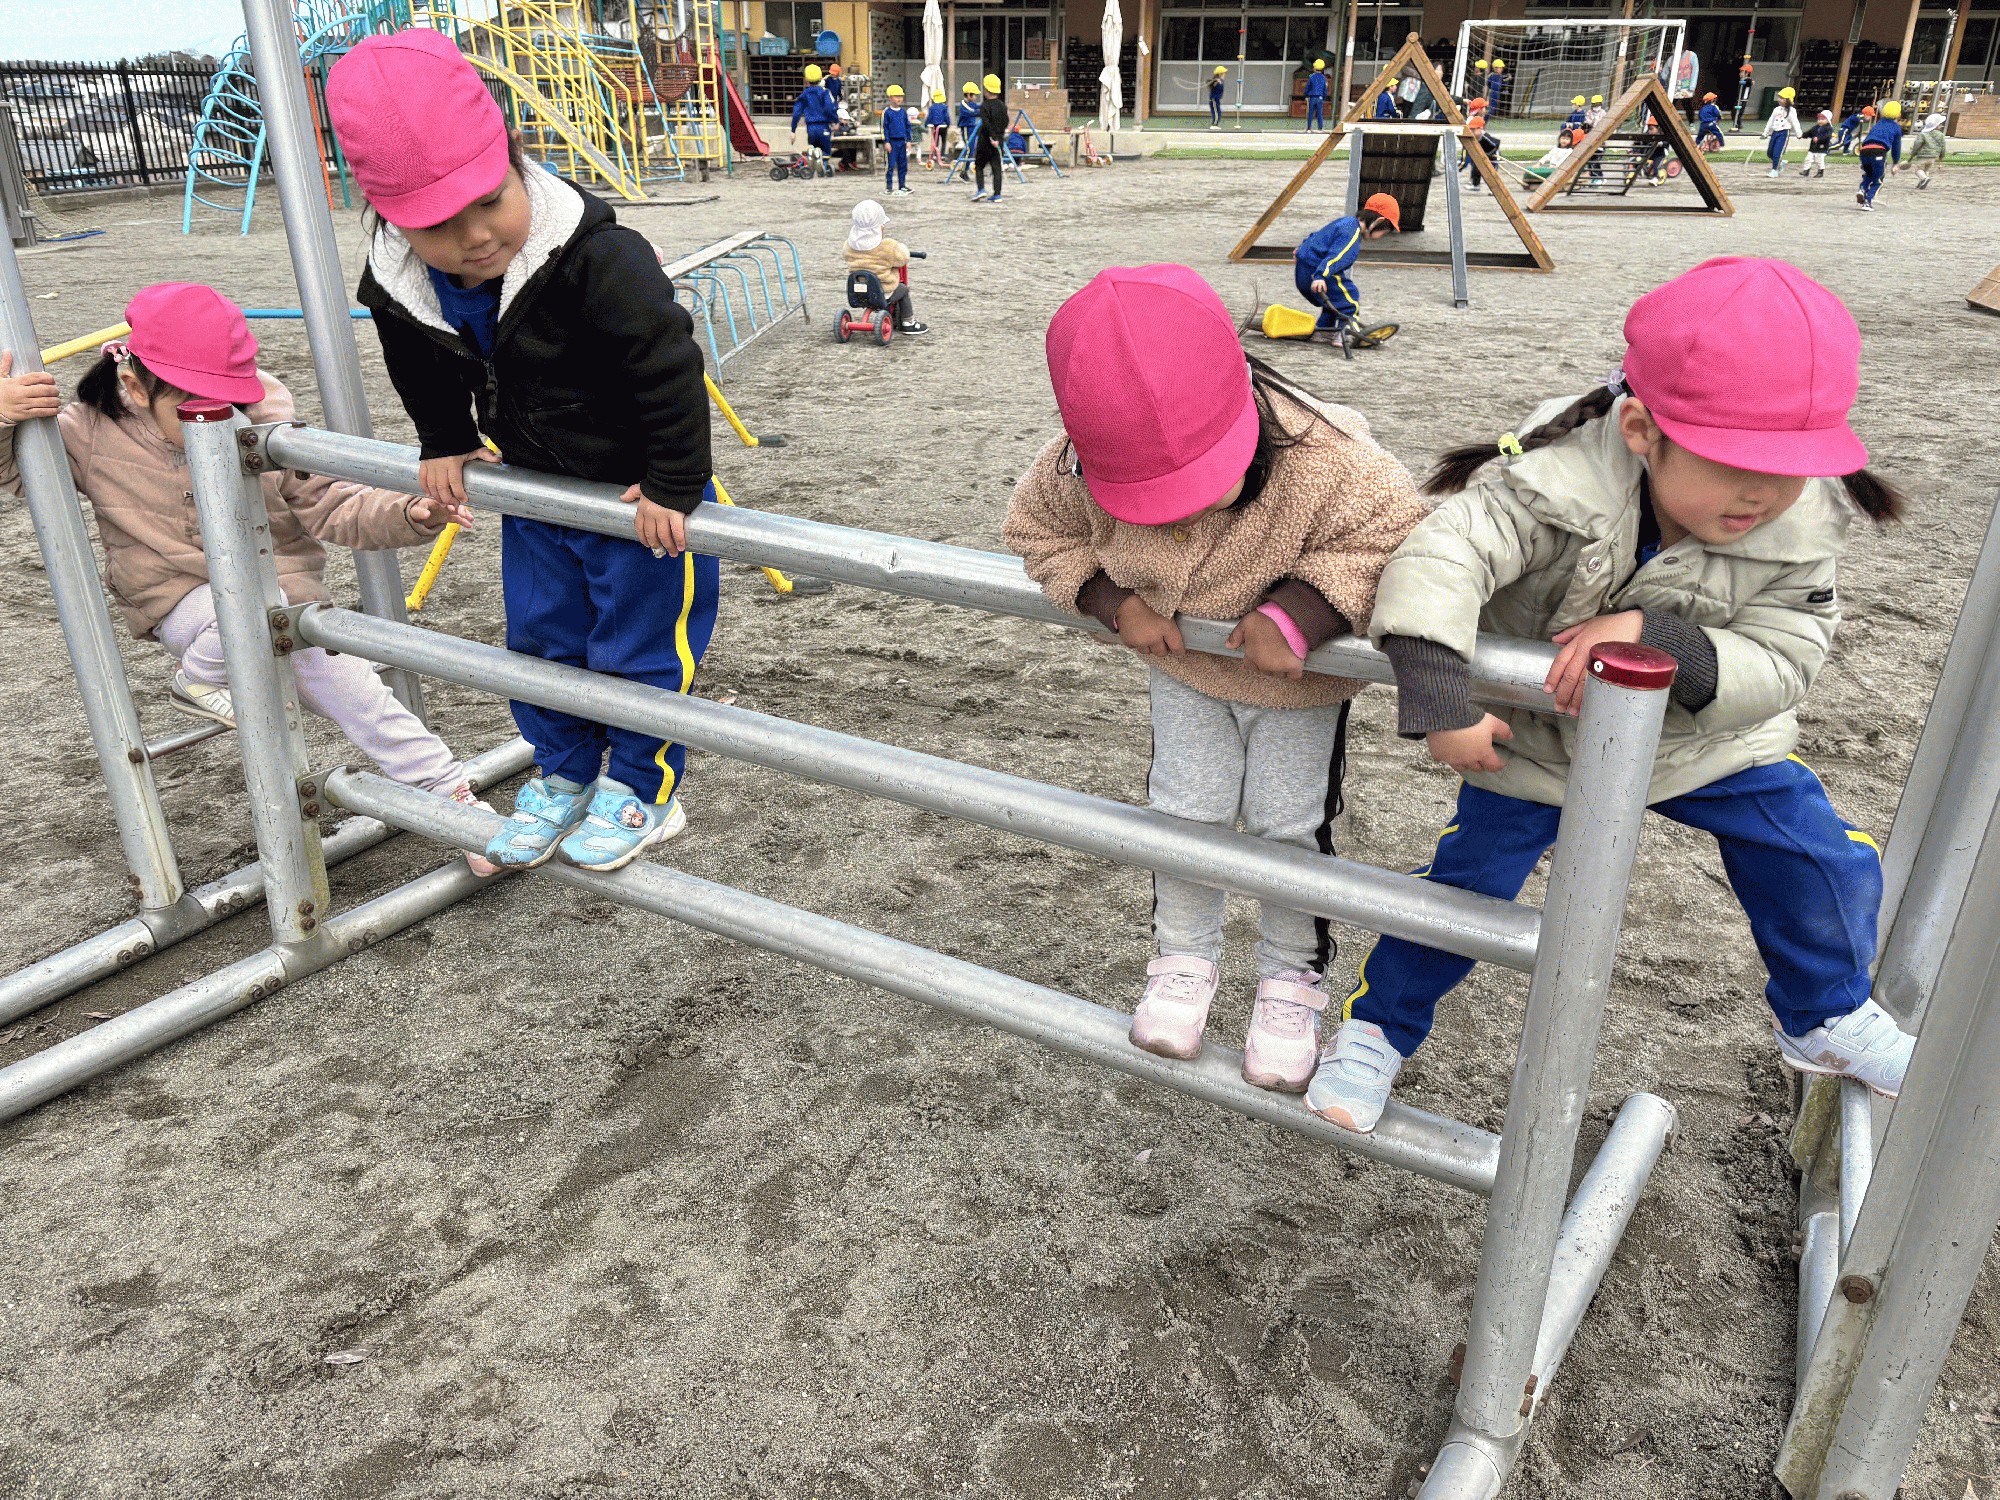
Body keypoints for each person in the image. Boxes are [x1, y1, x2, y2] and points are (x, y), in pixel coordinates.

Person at [1304, 257, 1918, 1134]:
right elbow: (1441, 556)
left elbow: (1788, 655)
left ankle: (1824, 1015)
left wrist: (1662, 637)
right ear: (1640, 429)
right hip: (1538, 743)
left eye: (1791, 467)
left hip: (1703, 742)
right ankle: (1376, 1031)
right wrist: (1442, 699)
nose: (1763, 492)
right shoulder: (1550, 481)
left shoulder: (1800, 520)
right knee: (1465, 890)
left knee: (1825, 858)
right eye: (1734, 462)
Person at [1004, 265, 1428, 1092]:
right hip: (1185, 670)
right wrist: (1111, 601)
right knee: (1184, 813)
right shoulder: (1068, 469)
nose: (1177, 517)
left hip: (1298, 689)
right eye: (1145, 499)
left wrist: (1304, 612)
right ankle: (1182, 961)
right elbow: (1037, 531)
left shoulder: (1328, 454)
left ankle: (1289, 981)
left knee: (1287, 826)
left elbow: (1393, 536)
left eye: (1198, 487)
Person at [328, 30, 718, 873]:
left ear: (515, 160)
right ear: (390, 218)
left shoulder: (595, 255)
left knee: (637, 647)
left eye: (488, 200)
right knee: (540, 639)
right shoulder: (399, 275)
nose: (474, 236)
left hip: (637, 492)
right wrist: (445, 436)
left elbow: (667, 363)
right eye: (438, 223)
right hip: (536, 489)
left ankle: (644, 788)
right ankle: (566, 771)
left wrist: (675, 481)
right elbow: (415, 354)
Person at [0, 282, 497, 877]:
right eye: (195, 407)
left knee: (361, 692)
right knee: (256, 613)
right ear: (134, 386)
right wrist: (3, 418)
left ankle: (453, 799)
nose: (222, 419)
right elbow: (20, 475)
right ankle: (201, 677)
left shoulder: (264, 415)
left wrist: (412, 512)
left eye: (232, 401)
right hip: (179, 600)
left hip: (283, 600)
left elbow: (331, 503)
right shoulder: (89, 428)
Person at [1294, 194, 1399, 345]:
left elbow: (1316, 236)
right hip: (1317, 272)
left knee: (1334, 300)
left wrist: (1300, 250)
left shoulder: (1344, 222)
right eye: (1385, 232)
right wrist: (1320, 276)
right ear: (1379, 221)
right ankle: (1346, 335)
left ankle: (1324, 331)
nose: (1383, 236)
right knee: (1349, 298)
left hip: (1303, 272)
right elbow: (1337, 256)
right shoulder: (1352, 234)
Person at [844, 199, 928, 336]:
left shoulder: (849, 246)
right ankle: (908, 322)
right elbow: (903, 258)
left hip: (858, 291)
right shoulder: (888, 247)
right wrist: (903, 249)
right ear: (880, 226)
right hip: (883, 291)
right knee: (903, 290)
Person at [790, 63, 839, 166]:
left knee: (814, 148)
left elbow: (797, 113)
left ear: (806, 80)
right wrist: (835, 121)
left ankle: (810, 160)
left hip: (811, 127)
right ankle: (823, 165)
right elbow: (830, 108)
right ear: (820, 78)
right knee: (825, 151)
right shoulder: (825, 92)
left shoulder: (804, 95)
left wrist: (793, 130)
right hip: (824, 126)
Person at [1857, 100, 1901, 210]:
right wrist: (1895, 163)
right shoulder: (1896, 128)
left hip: (1864, 151)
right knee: (1878, 180)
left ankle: (1862, 189)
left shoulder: (1878, 124)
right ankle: (1868, 201)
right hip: (1879, 152)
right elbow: (1896, 148)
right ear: (1898, 114)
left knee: (1868, 174)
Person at [972, 73, 1009, 203]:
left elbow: (986, 123)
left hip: (985, 141)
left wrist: (992, 136)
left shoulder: (985, 106)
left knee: (979, 165)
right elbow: (1005, 121)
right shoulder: (1002, 105)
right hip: (999, 140)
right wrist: (999, 136)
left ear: (987, 90)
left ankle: (981, 189)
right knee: (997, 168)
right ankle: (997, 194)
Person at [1901, 102, 1949, 187]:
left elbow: (1917, 145)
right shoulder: (1941, 135)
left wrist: (1912, 155)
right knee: (1926, 170)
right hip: (1933, 157)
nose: (1941, 125)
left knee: (1918, 170)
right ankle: (1923, 182)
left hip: (1923, 156)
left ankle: (1924, 179)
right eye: (1940, 124)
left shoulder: (1923, 134)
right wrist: (1940, 160)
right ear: (1936, 126)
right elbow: (1943, 148)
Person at [1762, 86, 1802, 176]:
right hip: (1775, 132)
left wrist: (1798, 133)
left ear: (1788, 100)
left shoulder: (1792, 111)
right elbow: (1770, 121)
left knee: (1777, 152)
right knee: (1770, 153)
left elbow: (1795, 122)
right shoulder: (1776, 109)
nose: (1779, 100)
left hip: (1783, 133)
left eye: (1782, 98)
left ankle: (1774, 170)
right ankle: (1780, 163)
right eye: (1779, 97)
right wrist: (1765, 133)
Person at [880, 83, 912, 194]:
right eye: (896, 96)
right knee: (890, 165)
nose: (899, 99)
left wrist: (908, 140)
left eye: (901, 96)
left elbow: (908, 126)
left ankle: (902, 185)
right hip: (892, 142)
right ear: (890, 98)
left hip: (902, 142)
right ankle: (889, 187)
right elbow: (884, 128)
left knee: (903, 165)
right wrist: (886, 141)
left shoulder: (903, 112)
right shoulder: (887, 112)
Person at [1801, 109, 1833, 178]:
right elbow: (1809, 133)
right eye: (1819, 119)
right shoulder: (1815, 127)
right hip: (1813, 148)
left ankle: (1820, 172)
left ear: (1828, 120)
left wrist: (1819, 139)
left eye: (1823, 119)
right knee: (1808, 159)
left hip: (1822, 148)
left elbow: (1827, 137)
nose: (1820, 121)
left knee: (1819, 160)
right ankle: (1806, 170)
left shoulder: (1828, 128)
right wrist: (1802, 135)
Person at [924, 89, 950, 167]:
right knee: (944, 141)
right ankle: (942, 155)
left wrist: (926, 124)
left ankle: (935, 155)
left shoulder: (932, 107)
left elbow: (929, 117)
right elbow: (946, 117)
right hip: (943, 126)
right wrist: (948, 124)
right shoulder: (944, 107)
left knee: (936, 141)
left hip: (935, 126)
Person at [1304, 58, 1330, 132]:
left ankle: (1309, 128)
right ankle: (1320, 128)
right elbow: (1325, 89)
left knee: (1310, 113)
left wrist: (1306, 94)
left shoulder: (1311, 77)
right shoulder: (1323, 78)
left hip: (1312, 97)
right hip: (1320, 97)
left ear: (1314, 68)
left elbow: (1308, 87)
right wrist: (1324, 97)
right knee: (1319, 113)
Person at [957, 80, 982, 152]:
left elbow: (978, 107)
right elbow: (971, 112)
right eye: (974, 95)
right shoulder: (964, 104)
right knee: (968, 148)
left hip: (972, 126)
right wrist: (981, 112)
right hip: (966, 127)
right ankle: (967, 159)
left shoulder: (972, 103)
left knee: (972, 147)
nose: (975, 97)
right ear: (968, 95)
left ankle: (970, 159)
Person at [1733, 54, 1756, 130]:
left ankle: (1738, 126)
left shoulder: (1747, 80)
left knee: (1738, 113)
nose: (1740, 74)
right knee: (1734, 113)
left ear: (1747, 73)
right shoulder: (1742, 80)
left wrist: (1750, 82)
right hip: (1739, 99)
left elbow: (1749, 82)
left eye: (1742, 72)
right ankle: (1736, 125)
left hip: (1743, 99)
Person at [1209, 64, 1227, 129]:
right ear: (1220, 74)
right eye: (1223, 73)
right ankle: (1214, 124)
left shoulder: (1221, 81)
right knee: (1216, 112)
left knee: (1218, 112)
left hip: (1217, 99)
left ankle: (1216, 124)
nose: (1225, 75)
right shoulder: (1215, 81)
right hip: (1214, 99)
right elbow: (1209, 84)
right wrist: (1215, 81)